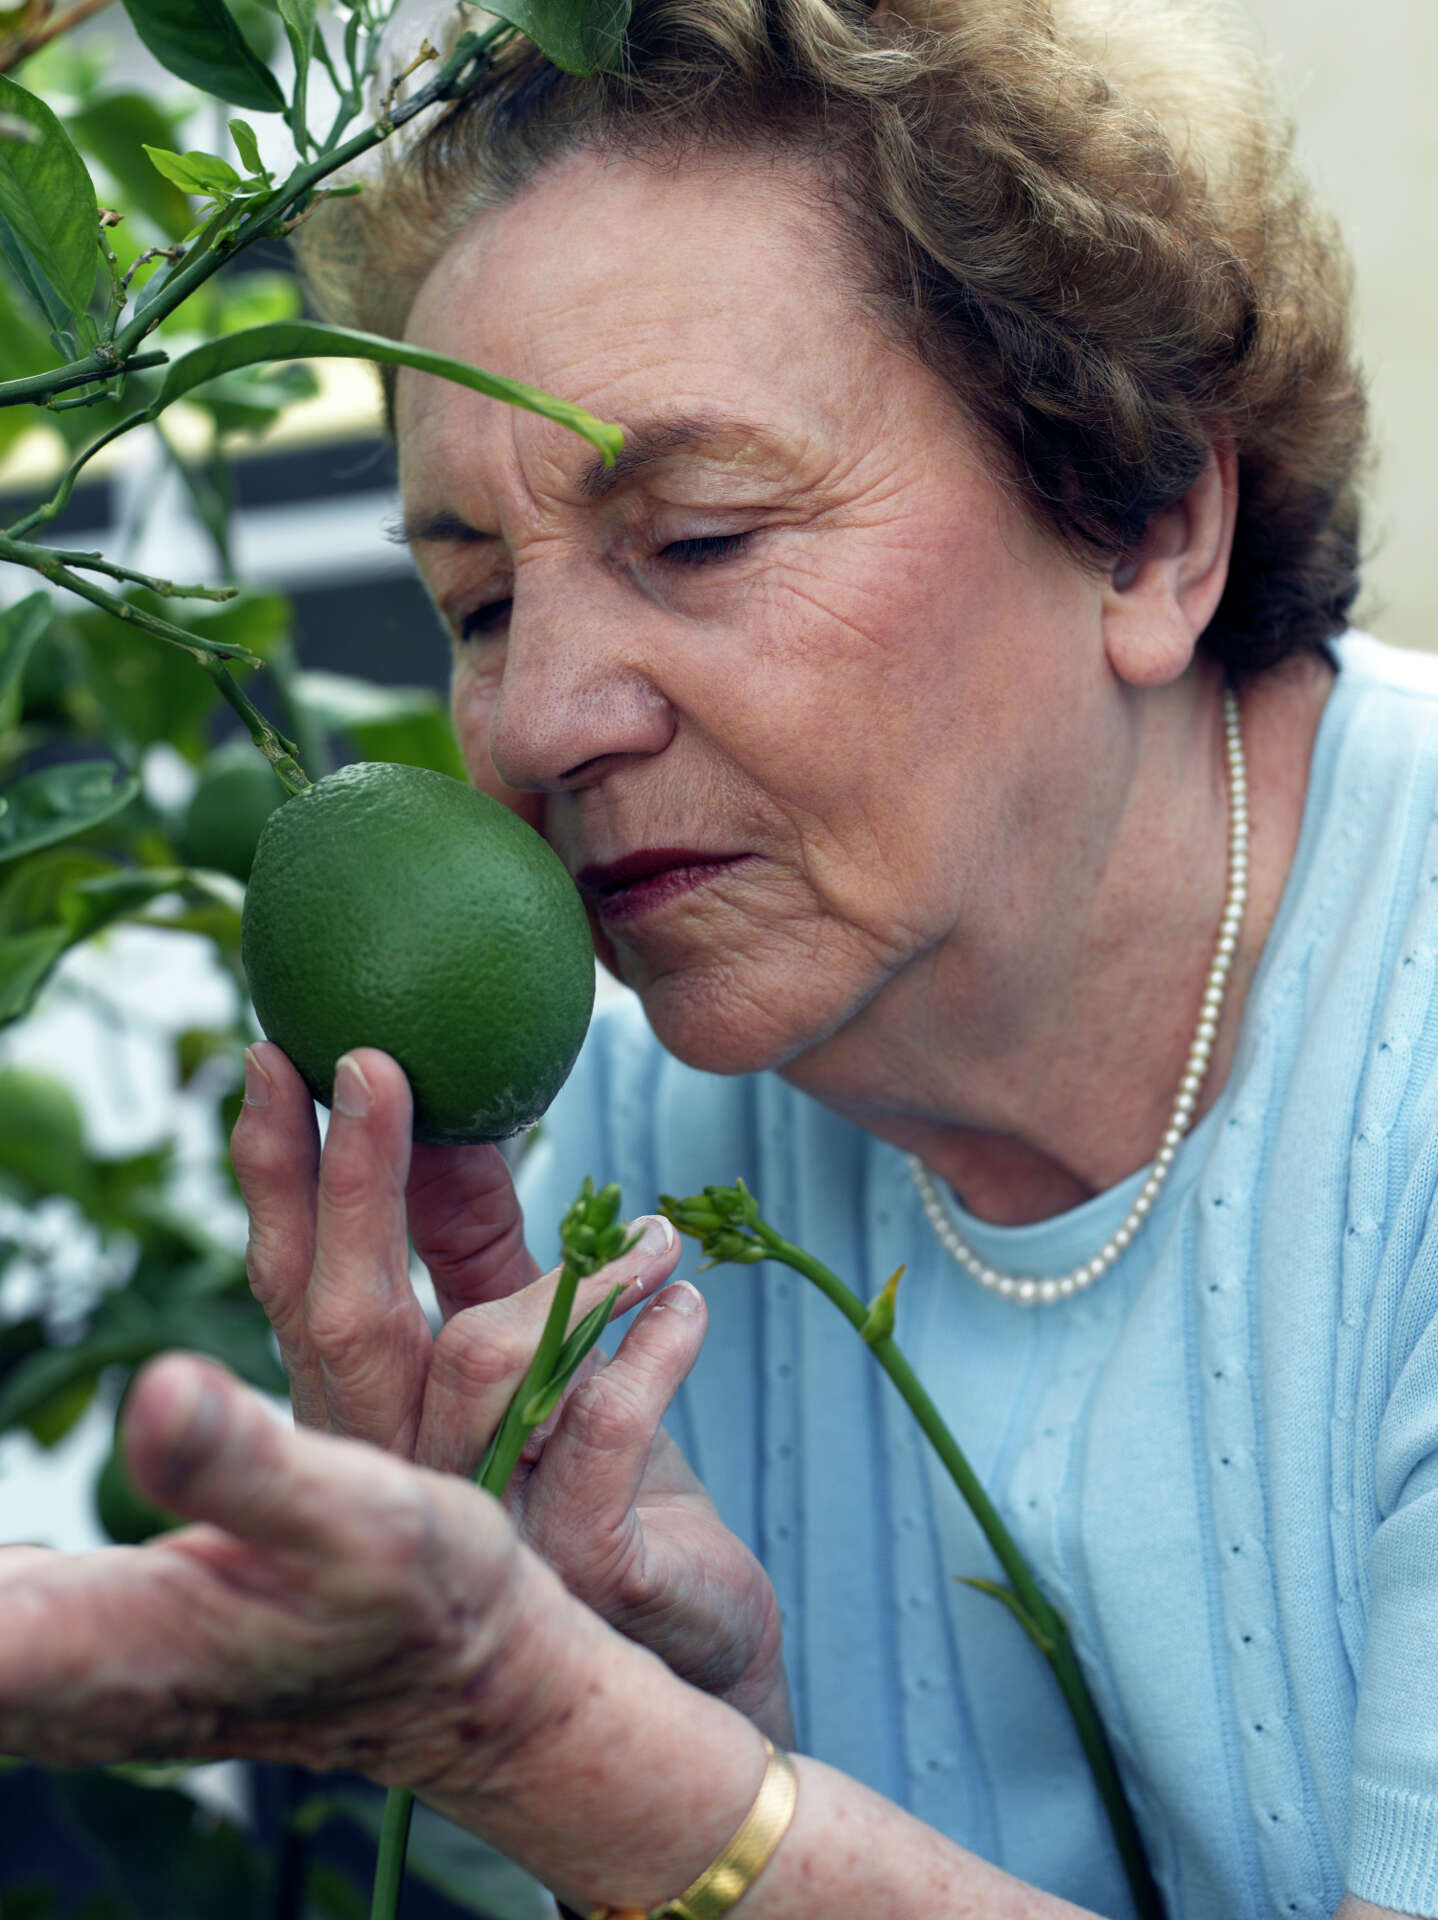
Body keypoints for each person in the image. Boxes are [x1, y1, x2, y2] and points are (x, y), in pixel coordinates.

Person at [2, 1, 1431, 1916]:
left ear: (1150, 527)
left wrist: (601, 1772)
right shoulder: (618, 1183)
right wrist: (685, 1724)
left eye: (696, 535)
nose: (538, 722)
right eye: (481, 603)